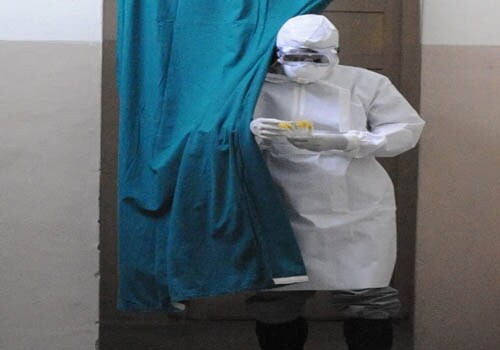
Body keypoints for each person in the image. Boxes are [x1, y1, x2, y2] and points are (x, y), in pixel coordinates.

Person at [247, 14, 425, 350]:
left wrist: (344, 141)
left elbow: (405, 130)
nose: (304, 65)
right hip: (279, 202)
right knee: (277, 300)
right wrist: (250, 134)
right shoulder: (254, 86)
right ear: (278, 53)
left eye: (316, 58)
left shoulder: (365, 83)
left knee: (368, 299)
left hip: (354, 205)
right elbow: (211, 135)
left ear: (336, 52)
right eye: (294, 57)